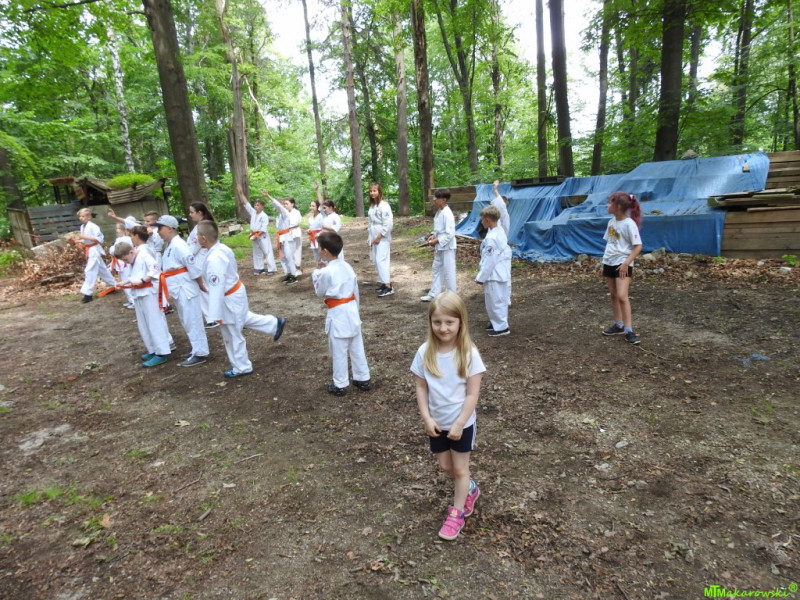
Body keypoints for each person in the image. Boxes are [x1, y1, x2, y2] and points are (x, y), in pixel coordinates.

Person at [410, 291, 485, 541]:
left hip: (461, 423)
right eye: (437, 322)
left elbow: (472, 394)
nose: (443, 328)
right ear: (430, 322)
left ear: (461, 322)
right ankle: (470, 489)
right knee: (445, 466)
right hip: (436, 423)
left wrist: (460, 423)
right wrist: (426, 418)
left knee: (461, 470)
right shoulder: (425, 352)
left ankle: (456, 514)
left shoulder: (469, 353)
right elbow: (421, 386)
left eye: (449, 322)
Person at [196, 220, 287, 378]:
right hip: (234, 292)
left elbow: (217, 287)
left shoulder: (214, 258)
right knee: (241, 318)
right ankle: (273, 324)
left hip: (228, 297)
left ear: (204, 238)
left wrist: (213, 314)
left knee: (232, 332)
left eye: (197, 235)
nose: (196, 238)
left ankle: (242, 366)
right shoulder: (221, 248)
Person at [311, 232, 371, 397]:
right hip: (351, 310)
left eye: (319, 248)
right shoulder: (347, 267)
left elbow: (320, 292)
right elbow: (355, 291)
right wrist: (356, 310)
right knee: (356, 346)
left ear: (325, 251)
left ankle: (340, 383)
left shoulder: (326, 272)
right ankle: (362, 377)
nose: (318, 251)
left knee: (338, 349)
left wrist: (316, 273)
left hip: (337, 313)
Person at [156, 215, 210, 367]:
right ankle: (196, 348)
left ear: (169, 228)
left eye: (160, 228)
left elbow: (192, 266)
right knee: (186, 320)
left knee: (192, 319)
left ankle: (200, 352)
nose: (158, 232)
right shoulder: (170, 246)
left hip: (185, 287)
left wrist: (200, 284)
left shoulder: (179, 245)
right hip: (177, 287)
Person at [114, 240, 172, 367]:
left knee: (154, 323)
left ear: (131, 252)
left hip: (149, 294)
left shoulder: (144, 255)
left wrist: (142, 280)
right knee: (143, 324)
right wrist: (125, 282)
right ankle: (152, 350)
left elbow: (155, 270)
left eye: (125, 259)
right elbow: (134, 275)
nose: (126, 262)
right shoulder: (133, 259)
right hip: (139, 294)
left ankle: (161, 353)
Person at [601, 191, 643, 345]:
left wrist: (626, 263)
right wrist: (606, 260)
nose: (607, 206)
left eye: (609, 203)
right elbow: (611, 242)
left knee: (622, 296)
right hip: (609, 262)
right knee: (613, 294)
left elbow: (638, 246)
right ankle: (618, 325)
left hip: (623, 263)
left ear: (617, 206)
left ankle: (629, 330)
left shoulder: (629, 224)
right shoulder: (611, 222)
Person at [475, 205, 511, 336]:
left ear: (488, 219)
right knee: (493, 299)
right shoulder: (498, 231)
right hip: (499, 272)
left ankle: (502, 327)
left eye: (482, 219)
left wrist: (481, 277)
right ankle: (496, 321)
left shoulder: (492, 238)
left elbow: (490, 260)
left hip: (494, 274)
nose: (481, 222)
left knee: (496, 300)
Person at [420, 188, 457, 302]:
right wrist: (433, 235)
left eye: (437, 198)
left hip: (447, 246)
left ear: (444, 199)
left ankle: (451, 296)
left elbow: (450, 233)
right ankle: (434, 293)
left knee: (449, 270)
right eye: (434, 197)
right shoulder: (439, 212)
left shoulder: (447, 213)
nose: (434, 200)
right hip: (439, 246)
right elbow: (439, 229)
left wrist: (437, 240)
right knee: (436, 268)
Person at [186, 202, 218, 329]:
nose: (190, 215)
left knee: (203, 288)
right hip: (203, 258)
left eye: (192, 212)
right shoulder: (204, 225)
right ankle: (214, 315)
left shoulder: (202, 227)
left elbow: (193, 248)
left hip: (201, 259)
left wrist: (186, 255)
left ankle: (212, 317)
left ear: (199, 213)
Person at [76, 207, 117, 303]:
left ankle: (88, 294)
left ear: (89, 217)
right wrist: (78, 241)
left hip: (94, 250)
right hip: (89, 249)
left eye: (83, 216)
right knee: (102, 269)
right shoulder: (82, 227)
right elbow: (85, 239)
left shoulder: (93, 226)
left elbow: (100, 239)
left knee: (89, 270)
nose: (81, 218)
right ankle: (113, 284)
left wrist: (84, 237)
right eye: (80, 216)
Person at [236, 184, 277, 276]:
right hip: (254, 235)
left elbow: (263, 228)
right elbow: (246, 203)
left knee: (267, 252)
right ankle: (259, 268)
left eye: (258, 205)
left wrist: (257, 235)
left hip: (262, 236)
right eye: (255, 205)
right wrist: (241, 193)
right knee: (257, 252)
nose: (255, 206)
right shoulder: (253, 212)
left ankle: (271, 269)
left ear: (262, 206)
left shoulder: (264, 216)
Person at [262, 190, 300, 285]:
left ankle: (294, 276)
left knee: (289, 257)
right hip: (281, 237)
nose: (285, 205)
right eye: (284, 204)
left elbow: (278, 206)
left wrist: (268, 196)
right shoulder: (279, 216)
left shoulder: (285, 213)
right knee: (283, 257)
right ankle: (288, 274)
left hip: (287, 237)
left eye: (286, 204)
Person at [367, 182, 394, 297]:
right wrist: (369, 237)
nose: (372, 193)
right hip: (374, 235)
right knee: (376, 260)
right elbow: (370, 223)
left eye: (374, 191)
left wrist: (380, 236)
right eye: (371, 191)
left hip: (382, 237)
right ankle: (384, 282)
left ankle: (388, 286)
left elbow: (388, 223)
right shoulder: (373, 206)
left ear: (379, 192)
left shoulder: (384, 206)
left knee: (381, 260)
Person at [109, 222, 135, 309]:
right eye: (116, 228)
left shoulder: (126, 239)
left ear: (123, 229)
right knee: (122, 280)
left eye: (118, 228)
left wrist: (112, 249)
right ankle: (129, 300)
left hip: (124, 263)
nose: (117, 230)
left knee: (126, 280)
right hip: (119, 262)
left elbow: (115, 250)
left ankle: (133, 300)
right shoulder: (118, 239)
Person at [308, 182, 325, 266]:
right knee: (316, 255)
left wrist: (317, 190)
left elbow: (321, 203)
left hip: (320, 237)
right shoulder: (310, 218)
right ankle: (319, 267)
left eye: (313, 206)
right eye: (310, 206)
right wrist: (309, 231)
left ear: (318, 207)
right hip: (312, 238)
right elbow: (311, 228)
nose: (311, 207)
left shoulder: (322, 216)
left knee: (322, 254)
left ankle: (324, 267)